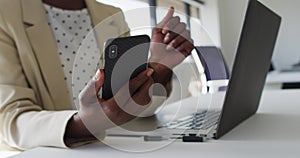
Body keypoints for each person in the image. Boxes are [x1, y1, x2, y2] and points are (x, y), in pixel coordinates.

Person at [0, 0, 194, 151]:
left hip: (115, 146)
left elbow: (130, 104)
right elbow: (9, 119)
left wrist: (159, 65)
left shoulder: (112, 15)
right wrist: (83, 124)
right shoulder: (6, 14)